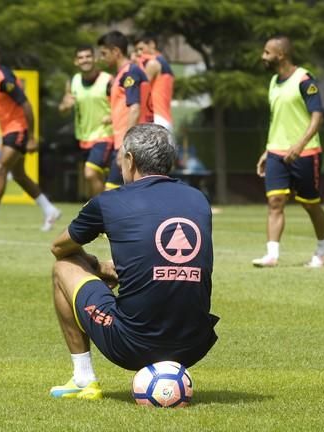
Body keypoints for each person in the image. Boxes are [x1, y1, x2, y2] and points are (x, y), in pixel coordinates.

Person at [49, 124, 219, 400]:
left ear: (130, 160)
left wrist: (96, 265)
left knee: (64, 266)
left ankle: (83, 379)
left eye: (120, 157)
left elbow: (58, 248)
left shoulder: (109, 201)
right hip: (193, 345)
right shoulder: (198, 199)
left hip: (132, 345)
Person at [0, 45, 61, 231]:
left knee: (0, 167)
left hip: (19, 128)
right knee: (19, 175)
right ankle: (50, 210)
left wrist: (31, 137)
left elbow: (26, 105)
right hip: (7, 130)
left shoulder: (5, 79)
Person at [252, 36, 324, 268]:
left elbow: (318, 116)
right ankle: (272, 255)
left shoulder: (304, 80)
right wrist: (267, 151)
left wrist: (300, 144)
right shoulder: (274, 81)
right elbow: (276, 120)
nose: (263, 57)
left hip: (305, 153)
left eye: (267, 52)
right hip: (276, 152)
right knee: (275, 202)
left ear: (281, 55)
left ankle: (323, 250)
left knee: (310, 204)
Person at [97, 31, 153, 190]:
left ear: (116, 51)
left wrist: (125, 145)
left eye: (104, 53)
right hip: (131, 141)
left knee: (112, 190)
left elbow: (134, 108)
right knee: (134, 192)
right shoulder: (124, 73)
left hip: (133, 142)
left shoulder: (130, 72)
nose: (101, 58)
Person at [59, 45, 114, 197]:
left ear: (95, 59)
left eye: (88, 56)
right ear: (76, 62)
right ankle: (109, 213)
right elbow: (63, 109)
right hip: (84, 138)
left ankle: (100, 211)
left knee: (90, 173)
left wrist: (113, 116)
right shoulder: (74, 81)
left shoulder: (108, 80)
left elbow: (121, 104)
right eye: (81, 57)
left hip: (106, 135)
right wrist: (65, 105)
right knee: (103, 180)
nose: (85, 60)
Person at [135, 34, 174, 131]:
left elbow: (140, 88)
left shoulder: (152, 64)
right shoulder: (163, 63)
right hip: (164, 118)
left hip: (155, 118)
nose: (139, 53)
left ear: (152, 45)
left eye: (141, 49)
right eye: (137, 50)